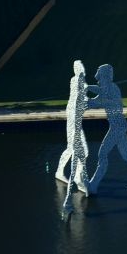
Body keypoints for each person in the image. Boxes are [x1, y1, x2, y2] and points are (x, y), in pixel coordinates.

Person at [88, 64, 127, 193]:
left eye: (100, 76)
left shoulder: (112, 88)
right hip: (118, 126)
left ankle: (93, 185)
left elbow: (114, 102)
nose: (98, 79)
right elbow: (95, 99)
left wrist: (89, 95)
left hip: (118, 126)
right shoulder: (105, 89)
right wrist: (85, 95)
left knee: (102, 154)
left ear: (105, 76)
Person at [56, 61, 90, 198]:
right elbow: (80, 100)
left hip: (73, 118)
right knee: (85, 151)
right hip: (74, 120)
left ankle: (59, 171)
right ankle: (77, 177)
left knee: (70, 148)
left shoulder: (76, 81)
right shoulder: (78, 81)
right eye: (79, 67)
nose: (82, 69)